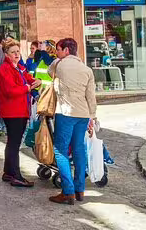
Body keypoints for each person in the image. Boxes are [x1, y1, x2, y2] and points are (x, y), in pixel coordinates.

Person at [47, 38, 97, 205]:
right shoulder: (87, 69)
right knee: (79, 150)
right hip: (83, 114)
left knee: (60, 151)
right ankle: (79, 189)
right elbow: (91, 96)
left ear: (66, 50)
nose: (57, 53)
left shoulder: (59, 65)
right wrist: (92, 116)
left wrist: (58, 59)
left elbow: (49, 71)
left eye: (59, 50)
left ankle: (67, 191)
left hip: (66, 113)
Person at [0, 38, 42, 188]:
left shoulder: (18, 67)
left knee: (13, 143)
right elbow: (10, 91)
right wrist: (28, 88)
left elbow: (28, 78)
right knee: (14, 144)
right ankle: (16, 175)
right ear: (6, 54)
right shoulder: (4, 70)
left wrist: (36, 81)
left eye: (18, 51)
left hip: (19, 110)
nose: (17, 54)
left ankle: (9, 172)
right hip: (12, 111)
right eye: (13, 52)